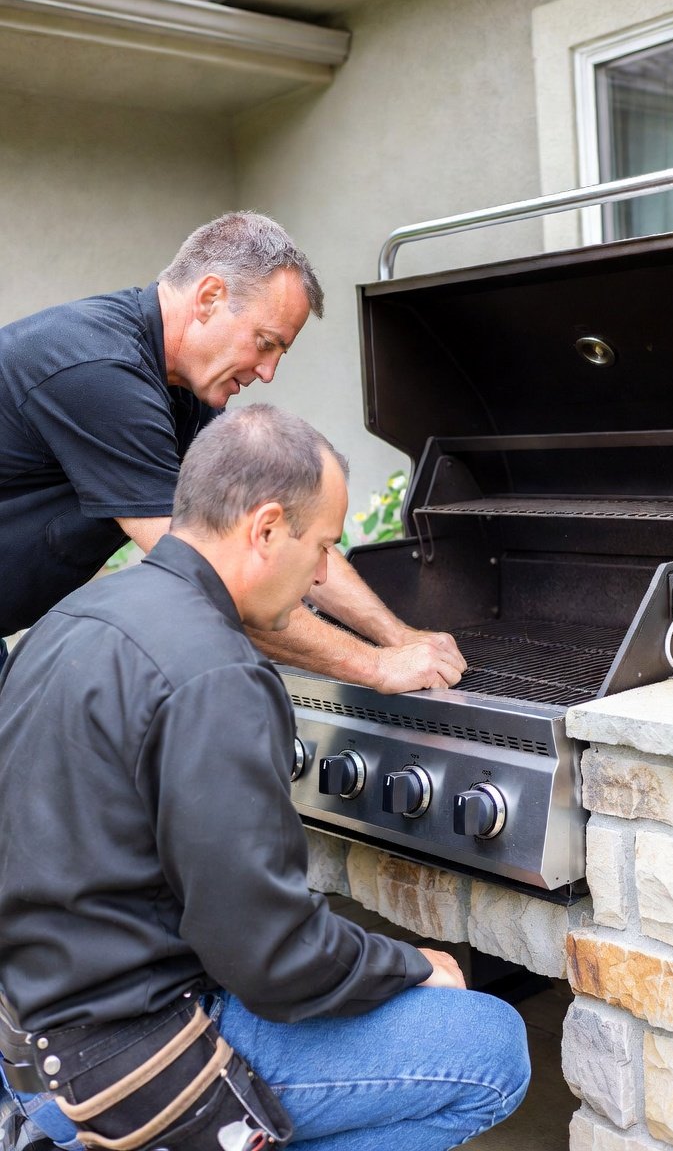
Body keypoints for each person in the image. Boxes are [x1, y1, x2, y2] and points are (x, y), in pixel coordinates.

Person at [0, 404, 530, 1151]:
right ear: (267, 527)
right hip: (144, 1054)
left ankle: (54, 1130)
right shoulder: (216, 673)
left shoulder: (70, 620)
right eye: (322, 548)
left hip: (37, 1033)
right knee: (491, 1048)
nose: (320, 576)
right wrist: (411, 965)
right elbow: (271, 958)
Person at [0, 210, 466, 691]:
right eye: (265, 344)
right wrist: (374, 667)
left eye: (280, 354)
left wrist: (399, 638)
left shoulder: (181, 389)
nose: (267, 373)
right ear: (209, 298)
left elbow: (287, 533)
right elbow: (208, 575)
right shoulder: (100, 373)